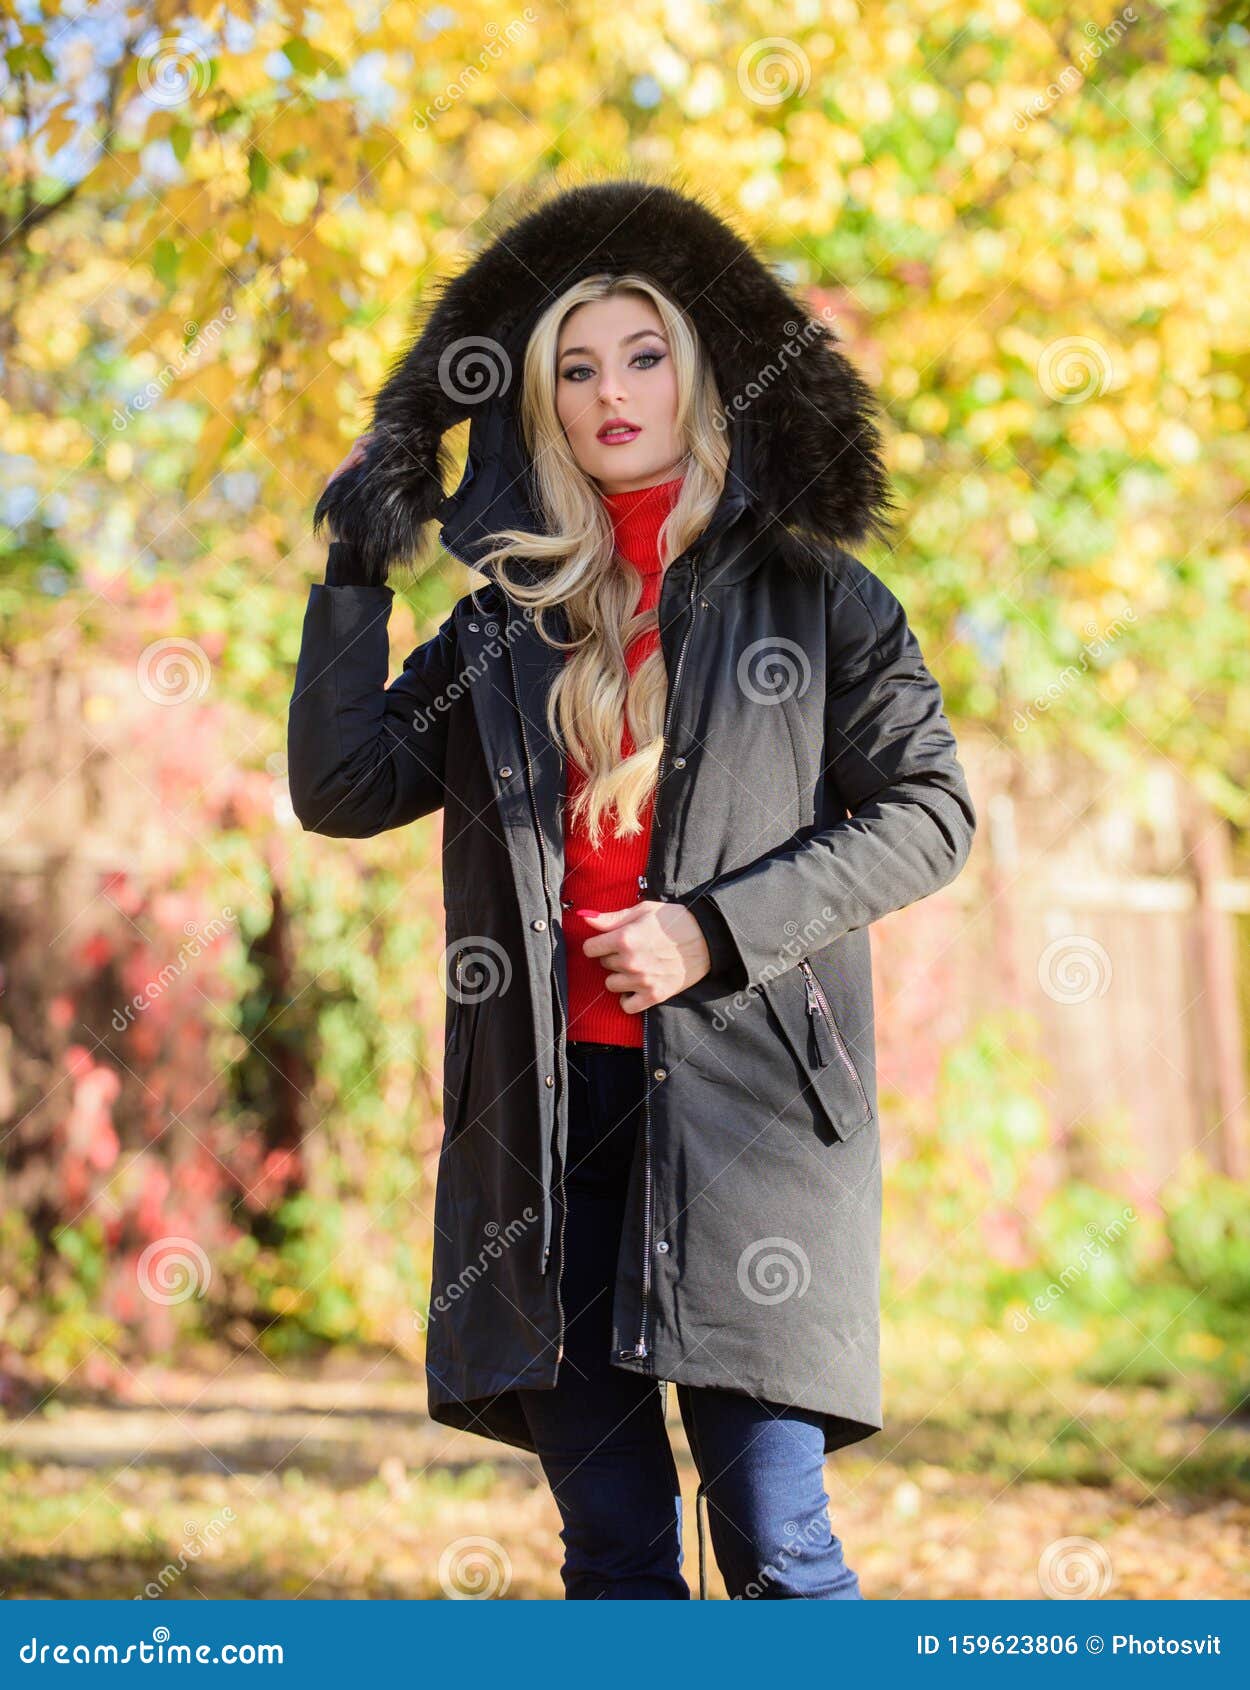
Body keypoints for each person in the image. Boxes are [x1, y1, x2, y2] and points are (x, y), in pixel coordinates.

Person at [288, 176, 977, 1598]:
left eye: (643, 355)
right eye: (575, 368)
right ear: (538, 405)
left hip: (748, 1131)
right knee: (609, 1548)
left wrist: (711, 931)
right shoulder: (507, 620)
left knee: (778, 1544)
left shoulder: (815, 598)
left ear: (701, 371)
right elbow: (344, 788)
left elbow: (931, 815)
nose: (612, 393)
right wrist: (356, 569)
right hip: (540, 1137)